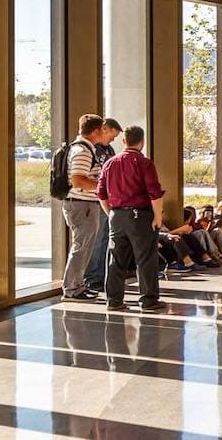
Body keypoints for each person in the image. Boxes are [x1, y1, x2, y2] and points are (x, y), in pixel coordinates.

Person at [95, 124, 166, 312]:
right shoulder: (144, 163)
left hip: (117, 215)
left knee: (115, 259)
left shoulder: (109, 163)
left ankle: (114, 300)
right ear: (142, 142)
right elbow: (154, 193)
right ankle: (148, 300)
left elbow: (101, 193)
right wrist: (157, 216)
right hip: (140, 216)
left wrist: (111, 212)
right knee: (145, 258)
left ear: (124, 140)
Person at [58, 114, 108, 300]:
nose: (103, 133)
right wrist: (102, 186)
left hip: (83, 204)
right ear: (95, 131)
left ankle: (77, 285)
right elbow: (78, 180)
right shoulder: (83, 151)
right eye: (102, 129)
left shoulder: (84, 149)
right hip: (82, 205)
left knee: (84, 247)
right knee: (81, 247)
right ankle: (71, 289)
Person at [84, 118, 122, 295]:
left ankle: (100, 276)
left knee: (106, 239)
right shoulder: (91, 149)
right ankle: (91, 278)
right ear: (103, 130)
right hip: (94, 200)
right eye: (111, 136)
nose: (112, 140)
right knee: (97, 240)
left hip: (108, 200)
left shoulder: (108, 150)